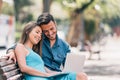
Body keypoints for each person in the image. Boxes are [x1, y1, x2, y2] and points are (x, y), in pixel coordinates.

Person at [6, 13, 87, 79]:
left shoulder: (64, 45)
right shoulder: (39, 40)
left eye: (52, 29)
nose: (50, 33)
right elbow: (19, 45)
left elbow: (70, 67)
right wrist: (11, 51)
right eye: (45, 31)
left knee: (82, 76)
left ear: (55, 24)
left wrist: (75, 69)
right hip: (42, 74)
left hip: (56, 75)